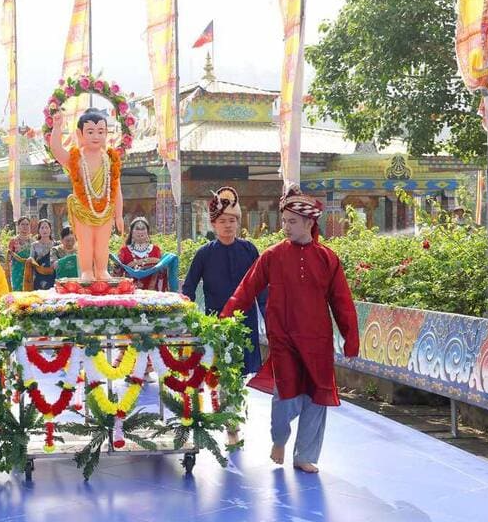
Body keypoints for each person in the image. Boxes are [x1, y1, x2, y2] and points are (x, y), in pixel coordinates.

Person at [220, 184, 359, 473]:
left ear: (310, 222)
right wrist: (225, 318)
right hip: (283, 339)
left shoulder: (328, 259)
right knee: (285, 396)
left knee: (317, 397)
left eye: (292, 222)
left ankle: (305, 455)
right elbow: (247, 289)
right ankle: (279, 438)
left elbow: (342, 302)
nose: (286, 227)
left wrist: (351, 338)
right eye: (284, 221)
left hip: (318, 340)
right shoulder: (272, 256)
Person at [183, 187, 267, 441]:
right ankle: (225, 419)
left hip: (245, 323)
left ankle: (231, 420)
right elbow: (188, 286)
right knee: (218, 372)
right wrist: (187, 315)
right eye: (222, 221)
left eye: (232, 221)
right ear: (213, 224)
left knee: (238, 374)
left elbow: (262, 286)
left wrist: (269, 318)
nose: (228, 226)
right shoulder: (204, 254)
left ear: (238, 223)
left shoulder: (250, 250)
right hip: (215, 323)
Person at [49, 107, 124, 282]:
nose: (96, 136)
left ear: (107, 134)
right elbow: (57, 150)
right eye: (90, 131)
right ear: (80, 134)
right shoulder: (75, 159)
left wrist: (119, 215)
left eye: (100, 131)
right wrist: (57, 127)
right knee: (86, 242)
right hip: (82, 209)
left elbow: (117, 188)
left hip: (105, 210)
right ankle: (87, 272)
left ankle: (102, 270)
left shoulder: (110, 160)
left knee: (102, 243)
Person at [117, 216, 169, 291]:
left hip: (152, 296)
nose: (140, 232)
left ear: (148, 232)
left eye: (143, 229)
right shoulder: (124, 251)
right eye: (137, 229)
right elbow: (117, 276)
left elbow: (162, 275)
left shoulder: (156, 250)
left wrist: (162, 267)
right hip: (129, 295)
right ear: (131, 231)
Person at [24, 219, 58, 290]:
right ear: (39, 230)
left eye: (46, 227)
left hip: (54, 276)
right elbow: (31, 261)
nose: (44, 230)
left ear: (50, 229)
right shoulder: (34, 245)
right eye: (42, 228)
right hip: (39, 277)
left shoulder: (56, 244)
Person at [8, 216, 34, 291]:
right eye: (22, 224)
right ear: (18, 226)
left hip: (30, 271)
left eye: (27, 224)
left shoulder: (33, 242)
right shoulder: (13, 241)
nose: (25, 227)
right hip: (17, 272)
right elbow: (8, 258)